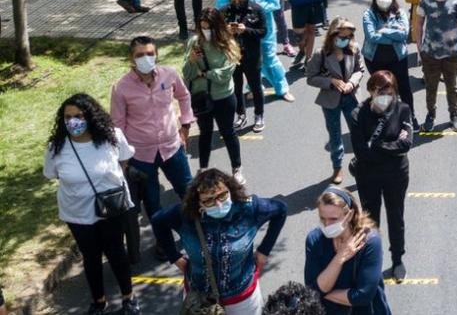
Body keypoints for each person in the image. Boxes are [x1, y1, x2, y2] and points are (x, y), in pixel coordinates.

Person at [45, 94, 141, 315]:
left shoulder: (112, 137)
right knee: (91, 257)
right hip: (77, 213)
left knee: (117, 252)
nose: (73, 122)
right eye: (67, 117)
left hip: (112, 209)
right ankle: (99, 301)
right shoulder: (56, 147)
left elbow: (124, 160)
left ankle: (129, 298)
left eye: (78, 116)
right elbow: (51, 174)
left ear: (91, 116)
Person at [152, 168, 288, 315]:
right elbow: (157, 220)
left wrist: (264, 251)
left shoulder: (249, 209)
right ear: (198, 203)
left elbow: (281, 209)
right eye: (208, 200)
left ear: (230, 189)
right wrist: (175, 257)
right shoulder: (185, 215)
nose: (218, 204)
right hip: (200, 299)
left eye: (222, 195)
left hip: (243, 298)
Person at [110, 36, 194, 255]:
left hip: (172, 147)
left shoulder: (170, 74)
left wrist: (185, 125)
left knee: (189, 192)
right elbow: (117, 125)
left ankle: (194, 231)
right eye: (139, 55)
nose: (146, 58)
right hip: (140, 155)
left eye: (150, 53)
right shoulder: (121, 88)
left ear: (156, 54)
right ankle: (163, 242)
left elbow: (184, 97)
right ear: (131, 58)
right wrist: (124, 159)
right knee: (153, 203)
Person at [350, 71, 413, 280]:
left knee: (396, 217)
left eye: (389, 90)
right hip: (368, 175)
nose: (385, 94)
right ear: (370, 90)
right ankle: (371, 260)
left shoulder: (402, 109)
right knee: (370, 220)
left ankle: (397, 259)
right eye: (379, 90)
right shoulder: (358, 114)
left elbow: (406, 143)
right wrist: (391, 147)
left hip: (396, 175)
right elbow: (361, 152)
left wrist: (377, 145)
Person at [217, 0, 294, 103]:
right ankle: (254, 88)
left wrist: (254, 7)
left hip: (264, 28)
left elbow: (275, 3)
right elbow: (220, 4)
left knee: (269, 58)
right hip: (240, 30)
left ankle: (282, 88)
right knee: (248, 60)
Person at [304, 187, 393, 314]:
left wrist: (324, 294)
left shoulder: (370, 241)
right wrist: (340, 257)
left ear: (350, 215)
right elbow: (311, 290)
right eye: (323, 218)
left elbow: (363, 296)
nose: (327, 225)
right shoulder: (314, 239)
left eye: (333, 219)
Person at [183, 8, 244, 183]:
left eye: (209, 27)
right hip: (202, 97)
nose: (205, 31)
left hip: (223, 97)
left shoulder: (228, 44)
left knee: (228, 132)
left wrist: (203, 73)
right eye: (202, 27)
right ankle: (203, 169)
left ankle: (237, 168)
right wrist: (192, 62)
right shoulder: (194, 43)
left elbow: (224, 76)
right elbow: (187, 73)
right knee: (205, 133)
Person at [307, 18, 365, 186]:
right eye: (341, 36)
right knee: (335, 134)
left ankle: (362, 162)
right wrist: (330, 81)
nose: (345, 40)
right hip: (331, 99)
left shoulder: (354, 49)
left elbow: (359, 70)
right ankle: (337, 167)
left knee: (358, 132)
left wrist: (352, 83)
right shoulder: (321, 53)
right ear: (332, 35)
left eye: (348, 36)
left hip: (351, 97)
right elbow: (311, 78)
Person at [412, 0, 457, 132]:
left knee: (452, 86)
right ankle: (431, 115)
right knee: (431, 87)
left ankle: (454, 114)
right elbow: (419, 24)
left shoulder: (456, 0)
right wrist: (420, 48)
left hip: (452, 53)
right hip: (430, 54)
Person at [362, 0, 418, 130]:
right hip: (375, 59)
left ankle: (410, 117)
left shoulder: (400, 13)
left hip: (397, 59)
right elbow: (371, 36)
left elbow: (404, 35)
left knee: (404, 88)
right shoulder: (369, 14)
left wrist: (384, 30)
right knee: (381, 90)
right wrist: (394, 35)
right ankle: (384, 119)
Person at [218, 0, 267, 133]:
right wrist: (225, 31)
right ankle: (240, 114)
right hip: (232, 56)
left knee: (255, 86)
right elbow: (216, 34)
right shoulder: (224, 11)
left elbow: (263, 32)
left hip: (251, 55)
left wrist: (246, 30)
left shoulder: (257, 9)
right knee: (236, 87)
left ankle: (259, 115)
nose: (237, 2)